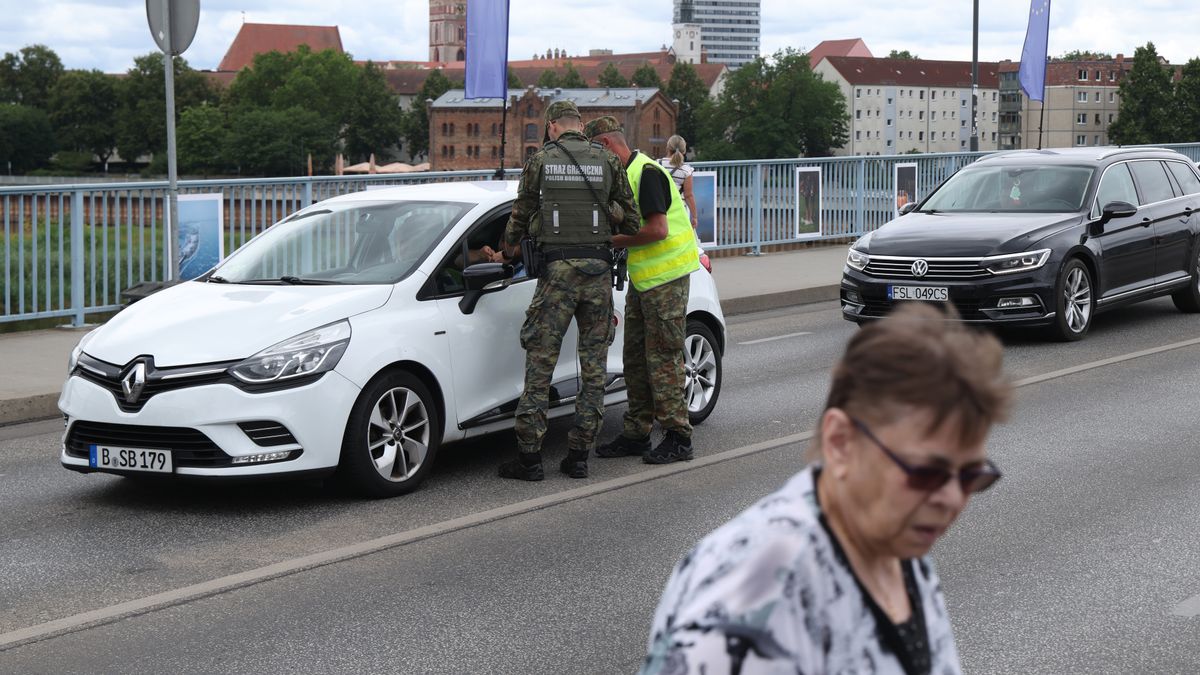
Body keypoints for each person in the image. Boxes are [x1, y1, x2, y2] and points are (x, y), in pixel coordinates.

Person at [637, 302, 1012, 675]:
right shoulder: (752, 594)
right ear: (840, 441)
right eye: (925, 472)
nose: (949, 500)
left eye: (970, 477)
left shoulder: (896, 539)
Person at [494, 101, 640, 482]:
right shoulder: (606, 161)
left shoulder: (541, 160)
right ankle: (578, 457)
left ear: (552, 126)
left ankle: (529, 459)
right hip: (597, 274)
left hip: (557, 274)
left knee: (540, 364)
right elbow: (634, 218)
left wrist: (508, 249)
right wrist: (605, 213)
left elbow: (520, 214)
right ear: (580, 125)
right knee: (593, 368)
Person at [584, 116, 701, 465]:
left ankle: (678, 436)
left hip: (667, 279)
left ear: (606, 145)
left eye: (594, 153)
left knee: (663, 358)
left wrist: (609, 241)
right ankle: (637, 432)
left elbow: (658, 230)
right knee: (634, 357)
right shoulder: (625, 174)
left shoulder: (646, 173)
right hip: (645, 279)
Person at [659, 135, 699, 231]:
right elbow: (688, 195)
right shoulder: (686, 170)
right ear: (684, 151)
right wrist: (694, 217)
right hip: (678, 209)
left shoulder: (657, 164)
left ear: (667, 148)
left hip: (659, 208)